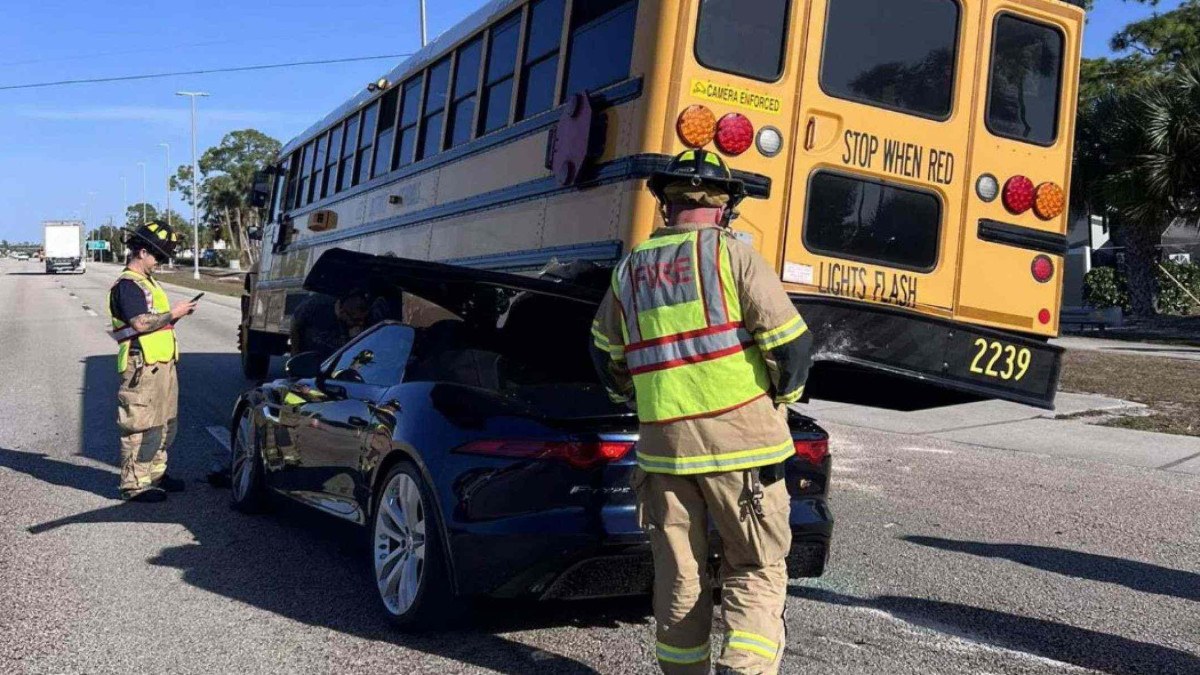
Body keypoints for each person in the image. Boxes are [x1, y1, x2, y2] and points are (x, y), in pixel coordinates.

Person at [590, 150, 814, 675]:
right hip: (745, 448)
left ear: (667, 208)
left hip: (665, 451)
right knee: (755, 565)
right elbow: (791, 347)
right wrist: (784, 398)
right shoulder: (733, 258)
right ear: (724, 208)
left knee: (679, 576)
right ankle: (744, 667)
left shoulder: (629, 271)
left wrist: (637, 400)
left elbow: (605, 354)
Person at [108, 222, 197, 503]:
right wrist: (174, 313)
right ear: (142, 252)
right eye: (157, 257)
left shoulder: (147, 282)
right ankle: (134, 484)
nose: (159, 263)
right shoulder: (127, 285)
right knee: (140, 426)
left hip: (162, 363)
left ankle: (156, 474)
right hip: (142, 364)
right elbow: (140, 322)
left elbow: (154, 323)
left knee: (165, 423)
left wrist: (176, 316)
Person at [288, 289, 372, 361]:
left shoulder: (362, 324)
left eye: (362, 320)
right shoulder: (317, 305)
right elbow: (295, 323)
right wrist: (295, 353)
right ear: (342, 313)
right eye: (356, 320)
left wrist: (356, 338)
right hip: (309, 358)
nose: (360, 323)